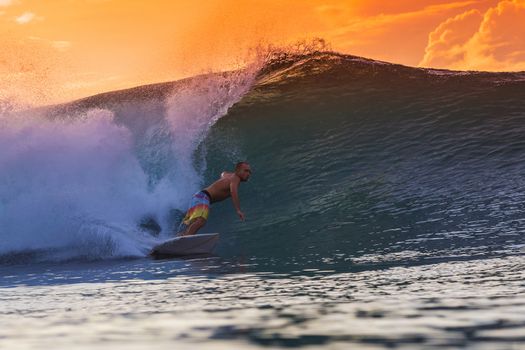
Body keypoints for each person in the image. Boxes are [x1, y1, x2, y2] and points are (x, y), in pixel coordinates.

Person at [177, 161, 252, 236]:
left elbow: (223, 173)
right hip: (204, 197)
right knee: (201, 221)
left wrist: (224, 177)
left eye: (249, 172)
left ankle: (181, 236)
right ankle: (187, 236)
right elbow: (233, 192)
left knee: (194, 221)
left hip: (198, 196)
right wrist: (238, 210)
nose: (248, 174)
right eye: (245, 171)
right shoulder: (236, 178)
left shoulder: (229, 176)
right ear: (237, 171)